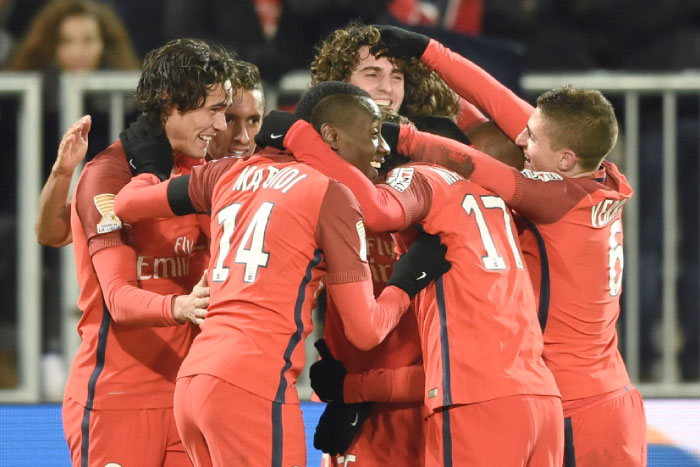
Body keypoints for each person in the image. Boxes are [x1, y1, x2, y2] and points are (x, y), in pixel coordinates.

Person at [112, 86, 451, 467]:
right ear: (331, 136)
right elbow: (366, 329)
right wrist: (406, 281)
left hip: (193, 383)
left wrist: (150, 170)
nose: (383, 148)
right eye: (373, 133)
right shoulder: (333, 195)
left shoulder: (227, 171)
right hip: (254, 386)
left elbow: (125, 205)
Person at [367, 25, 648, 466]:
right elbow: (498, 101)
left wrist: (396, 135)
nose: (520, 139)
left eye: (532, 139)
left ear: (563, 160)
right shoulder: (596, 174)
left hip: (571, 404)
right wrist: (429, 52)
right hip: (614, 399)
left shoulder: (554, 197)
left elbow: (476, 163)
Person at [259, 80, 564, 466]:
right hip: (540, 399)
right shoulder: (495, 200)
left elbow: (379, 211)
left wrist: (300, 138)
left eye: (387, 141)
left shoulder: (419, 177)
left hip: (474, 401)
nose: (381, 151)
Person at [61, 38, 236, 467]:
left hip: (190, 400)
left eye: (224, 111)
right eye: (211, 110)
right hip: (116, 401)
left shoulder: (203, 174)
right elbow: (118, 299)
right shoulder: (107, 175)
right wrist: (183, 306)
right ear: (169, 101)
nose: (221, 125)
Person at [34, 59, 265, 248]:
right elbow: (54, 233)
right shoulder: (149, 168)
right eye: (227, 117)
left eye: (254, 121)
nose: (242, 137)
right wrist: (62, 174)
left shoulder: (268, 182)